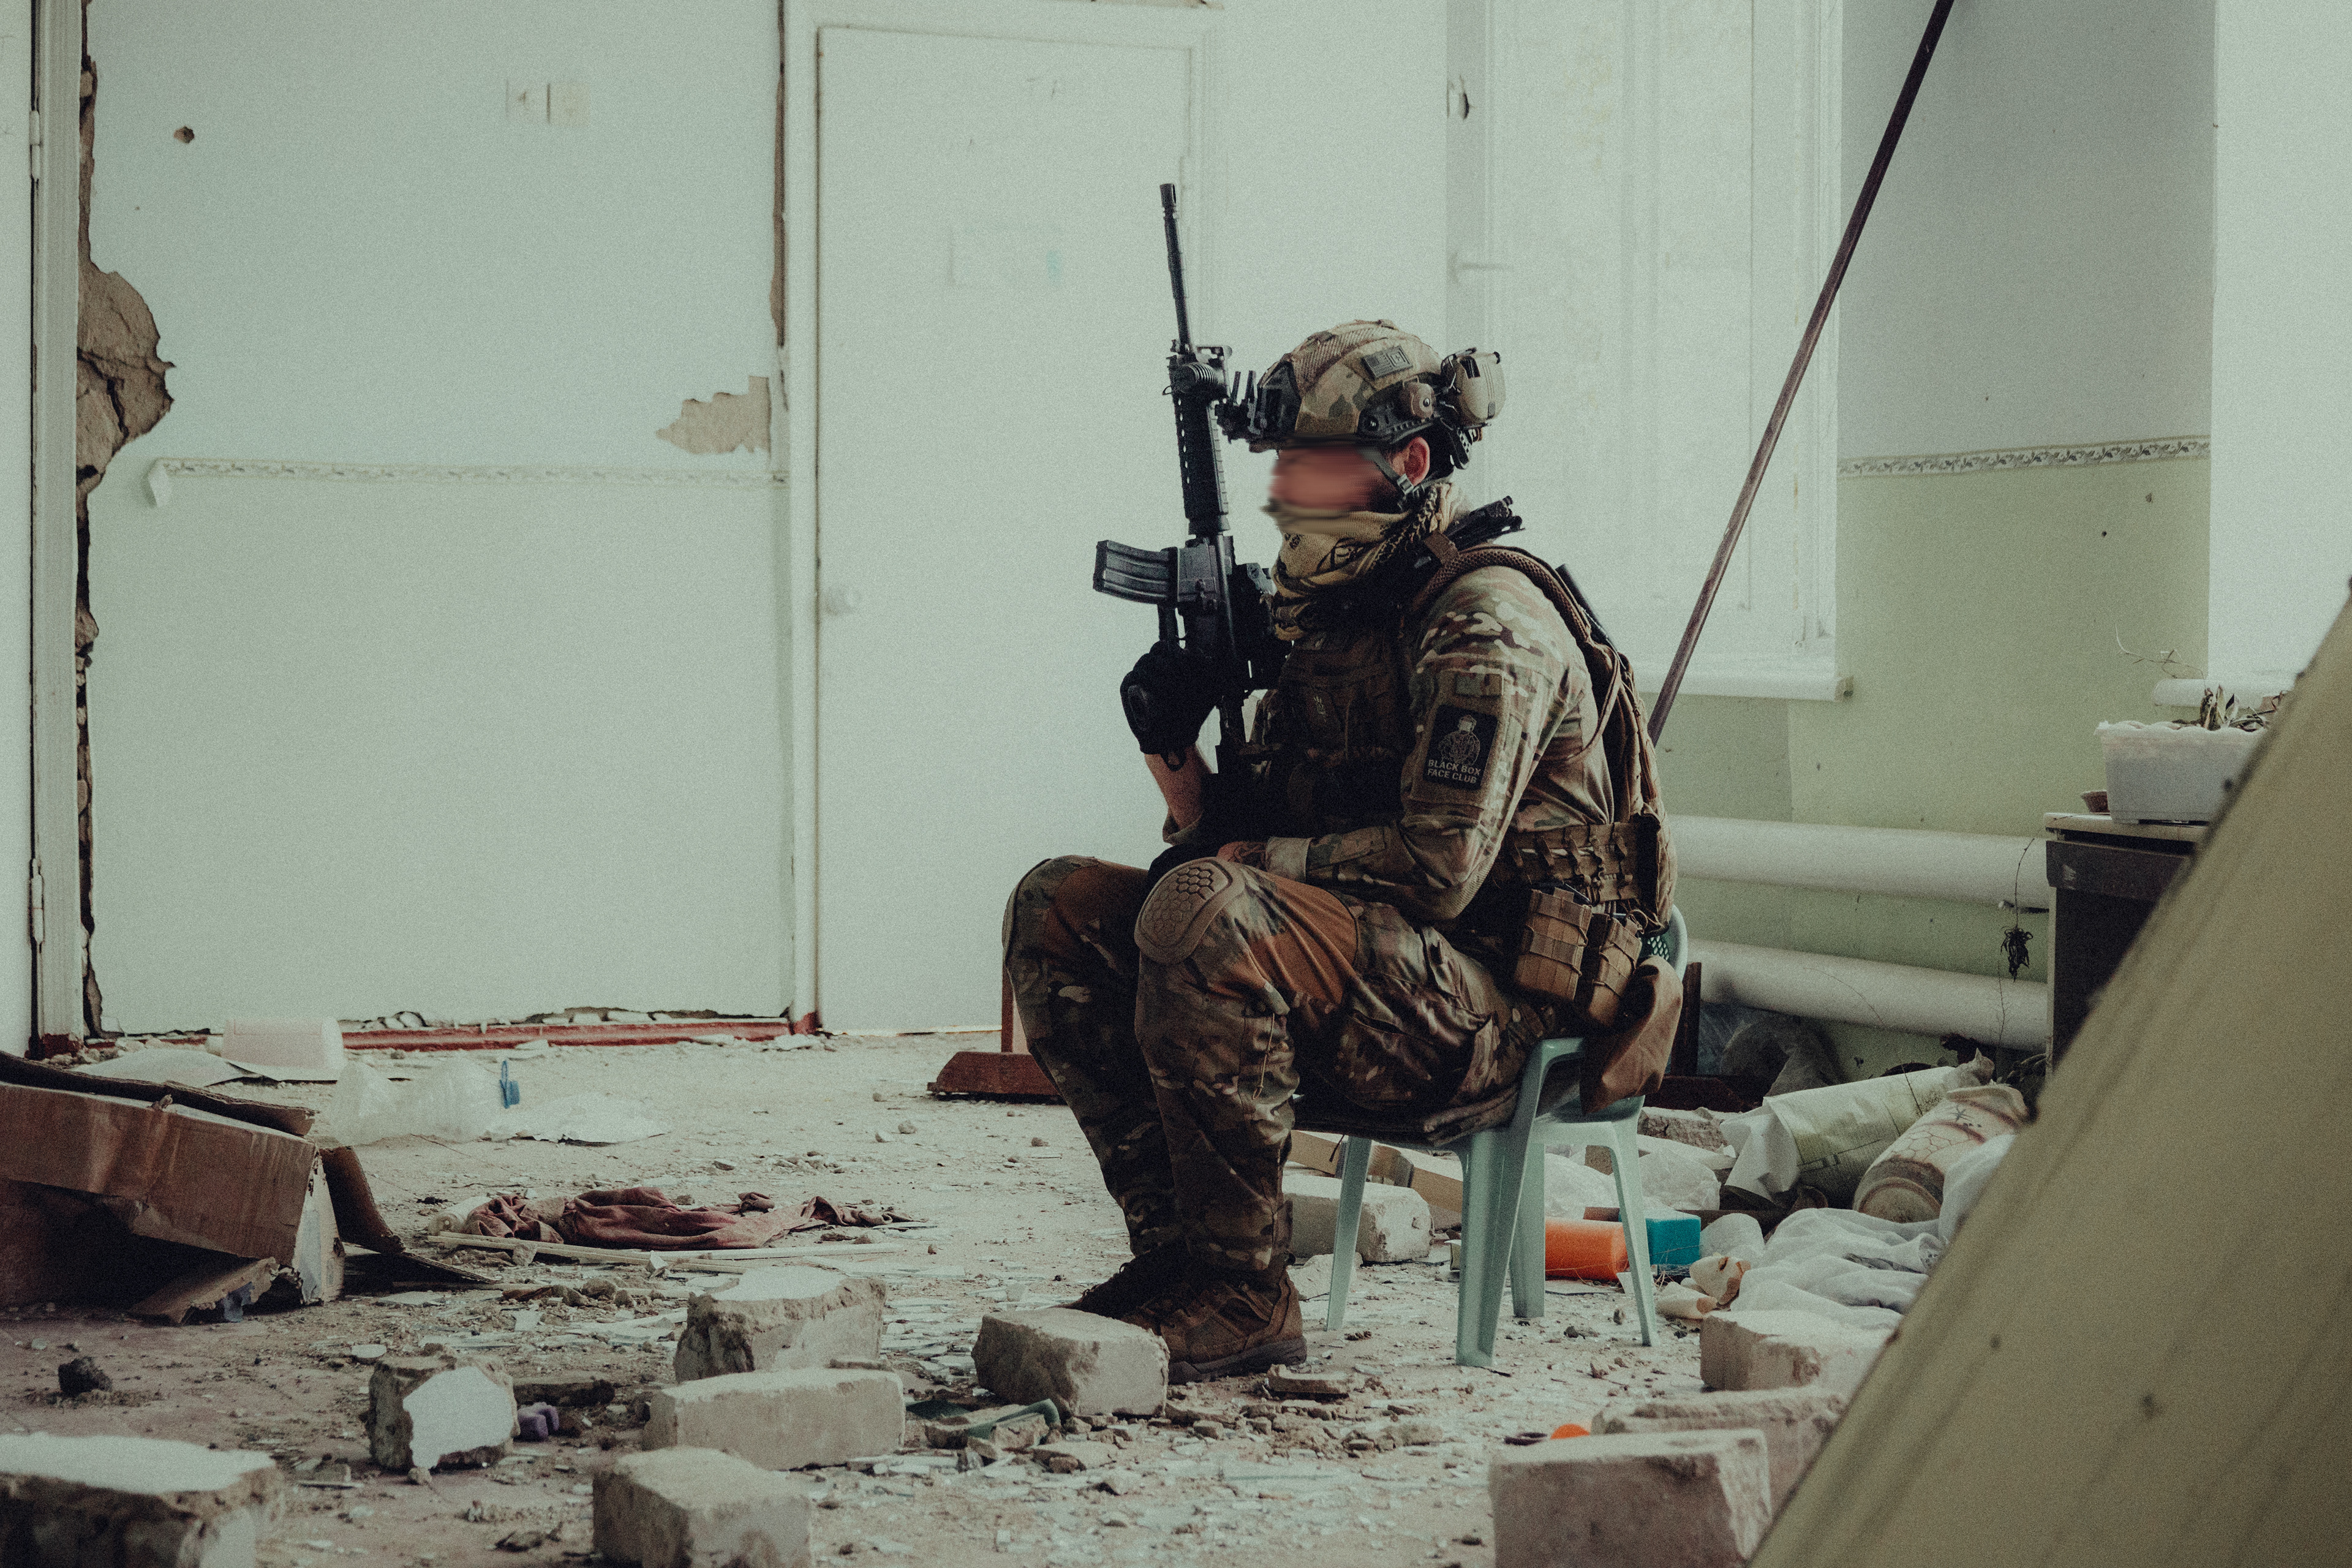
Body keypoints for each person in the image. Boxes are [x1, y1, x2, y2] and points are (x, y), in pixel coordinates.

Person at [1003, 320, 1679, 1383]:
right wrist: (1170, 749)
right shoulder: (1334, 618)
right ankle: (1183, 1259)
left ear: (1408, 463)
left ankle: (1246, 1292)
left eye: (1314, 473)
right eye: (1282, 473)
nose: (1288, 500)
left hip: (1497, 1008)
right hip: (1377, 978)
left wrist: (1255, 861)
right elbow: (1223, 847)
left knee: (1209, 914)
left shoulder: (1485, 622)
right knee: (1057, 909)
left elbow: (1438, 871)